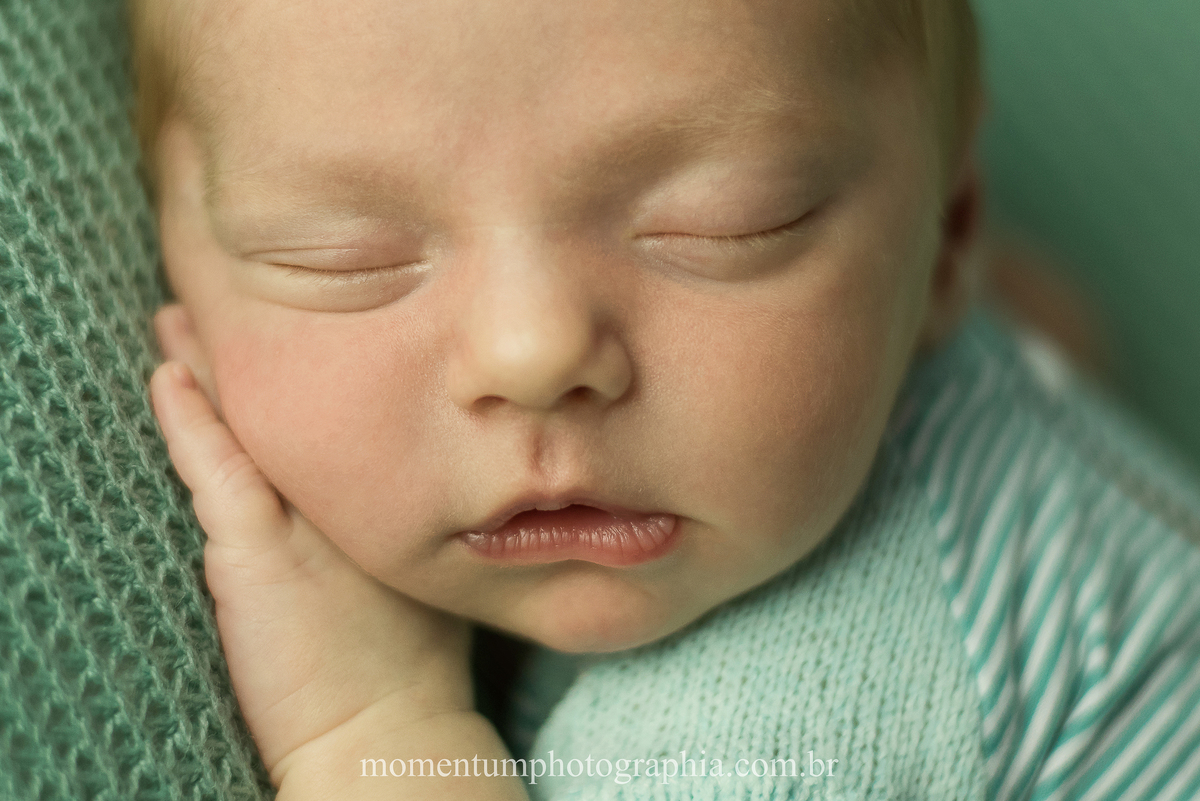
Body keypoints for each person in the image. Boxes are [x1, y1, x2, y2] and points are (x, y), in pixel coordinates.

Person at [134, 0, 1200, 798]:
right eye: (343, 258)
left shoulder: (773, 723)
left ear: (947, 236)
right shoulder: (963, 362)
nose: (533, 352)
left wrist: (374, 732)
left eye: (723, 227)